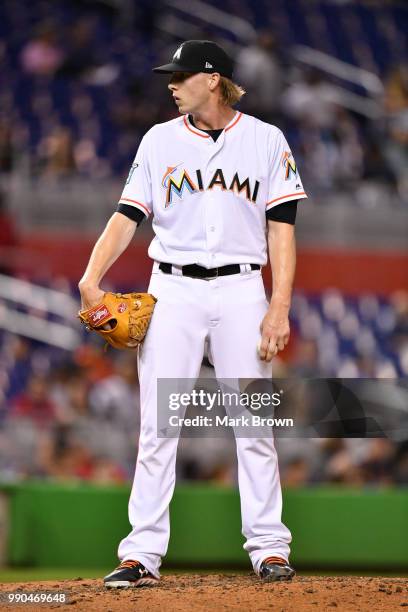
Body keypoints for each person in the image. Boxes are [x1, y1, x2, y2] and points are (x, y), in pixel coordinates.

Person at [78, 39, 307, 588]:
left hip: (241, 290)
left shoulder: (266, 141)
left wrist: (279, 306)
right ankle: (142, 554)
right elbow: (127, 215)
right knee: (160, 425)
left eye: (181, 76)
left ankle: (270, 548)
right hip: (173, 291)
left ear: (212, 79)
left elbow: (283, 230)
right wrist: (91, 277)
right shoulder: (158, 141)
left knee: (254, 424)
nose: (171, 84)